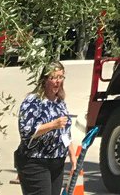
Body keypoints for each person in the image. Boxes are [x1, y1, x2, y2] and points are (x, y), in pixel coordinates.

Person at [16, 61, 77, 195]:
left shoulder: (60, 103)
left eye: (60, 77)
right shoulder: (33, 101)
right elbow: (26, 131)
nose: (57, 81)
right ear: (44, 79)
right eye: (53, 77)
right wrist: (53, 125)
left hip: (57, 162)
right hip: (35, 162)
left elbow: (65, 132)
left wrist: (73, 156)